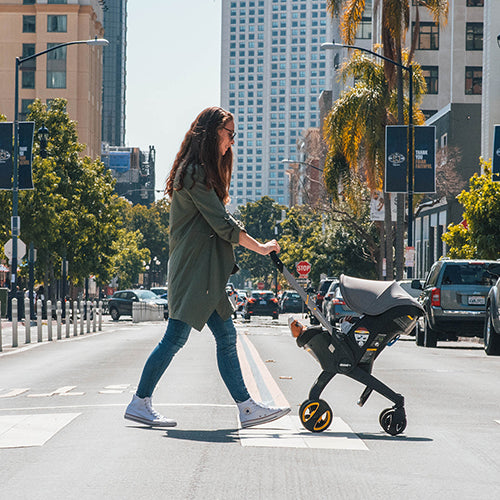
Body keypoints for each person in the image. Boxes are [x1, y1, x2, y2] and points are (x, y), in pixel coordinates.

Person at [125, 107, 290, 429]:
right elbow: (221, 223)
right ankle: (140, 401)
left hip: (207, 272)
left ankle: (246, 407)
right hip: (195, 272)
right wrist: (261, 246)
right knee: (175, 338)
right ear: (213, 132)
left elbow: (220, 221)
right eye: (230, 133)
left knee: (226, 338)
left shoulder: (200, 171)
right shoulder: (194, 173)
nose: (232, 140)